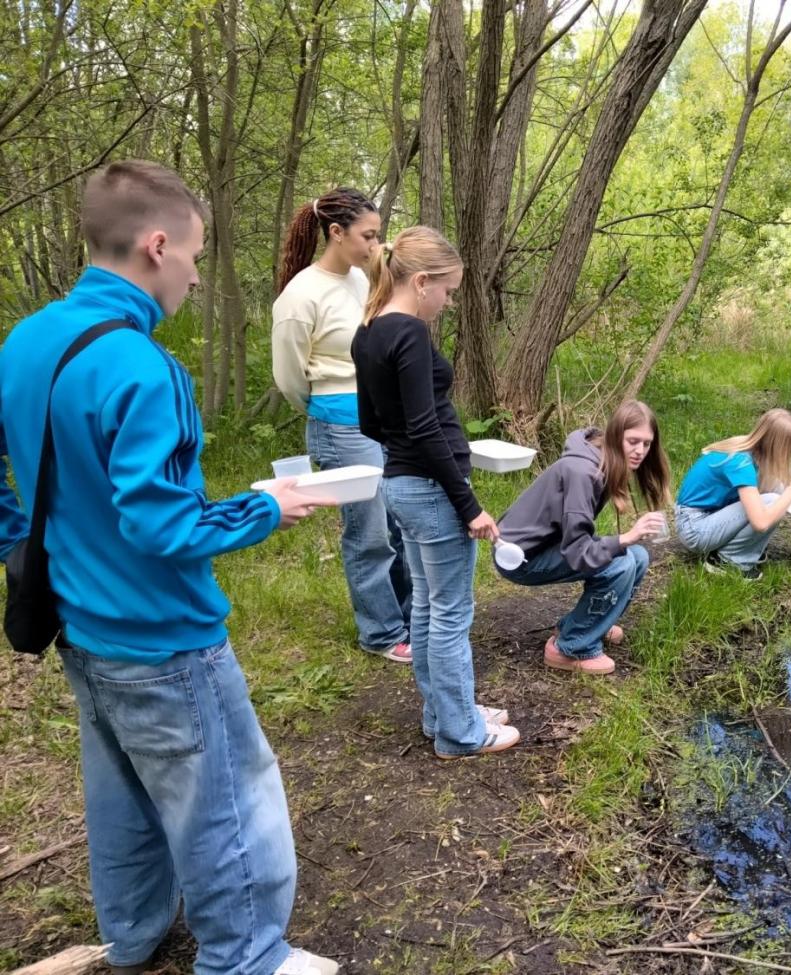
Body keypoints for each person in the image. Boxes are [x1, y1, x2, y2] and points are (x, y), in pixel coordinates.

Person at [0, 160, 337, 975]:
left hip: (79, 629)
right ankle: (248, 954)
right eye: (194, 253)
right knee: (224, 800)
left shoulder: (26, 339)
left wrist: (21, 543)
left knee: (120, 793)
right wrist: (267, 507)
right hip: (165, 641)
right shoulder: (148, 369)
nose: (193, 272)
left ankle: (134, 931)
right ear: (156, 245)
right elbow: (161, 522)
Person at [351, 226, 518, 758]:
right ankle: (460, 732)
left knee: (426, 607)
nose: (447, 303)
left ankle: (444, 712)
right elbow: (423, 427)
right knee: (450, 615)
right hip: (431, 490)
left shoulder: (367, 331)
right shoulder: (409, 333)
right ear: (421, 281)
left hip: (398, 483)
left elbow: (370, 423)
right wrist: (467, 504)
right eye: (446, 291)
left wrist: (404, 455)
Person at [272, 187, 411, 663]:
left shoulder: (359, 280)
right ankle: (381, 632)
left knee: (399, 519)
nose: (376, 245)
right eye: (368, 236)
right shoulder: (301, 295)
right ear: (336, 232)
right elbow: (290, 378)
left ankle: (411, 619)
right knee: (368, 530)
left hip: (381, 419)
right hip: (340, 425)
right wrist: (330, 407)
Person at [496, 401, 670, 675]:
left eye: (646, 444)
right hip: (519, 557)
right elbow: (579, 552)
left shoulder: (598, 458)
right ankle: (571, 646)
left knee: (638, 556)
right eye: (633, 441)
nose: (640, 451)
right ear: (615, 436)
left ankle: (590, 623)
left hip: (546, 545)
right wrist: (627, 537)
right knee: (621, 563)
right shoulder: (583, 472)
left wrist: (626, 543)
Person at [675, 408, 791, 581]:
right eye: (789, 448)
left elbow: (769, 484)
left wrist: (789, 498)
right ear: (777, 446)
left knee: (776, 496)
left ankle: (744, 549)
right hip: (694, 528)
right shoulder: (740, 462)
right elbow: (760, 522)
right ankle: (726, 561)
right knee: (771, 502)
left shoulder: (749, 448)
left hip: (706, 517)